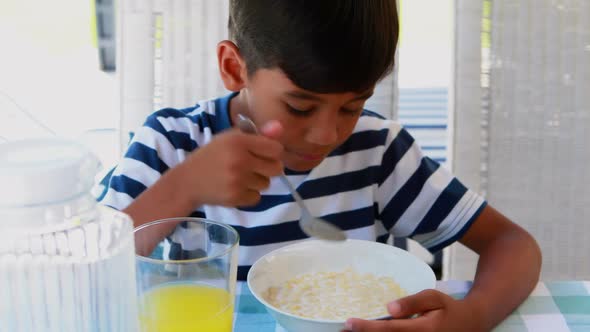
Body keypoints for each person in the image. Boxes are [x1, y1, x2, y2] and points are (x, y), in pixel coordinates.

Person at [99, 0, 542, 331]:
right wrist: (184, 187)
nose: (327, 135)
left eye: (352, 106)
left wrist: (473, 316)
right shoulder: (172, 144)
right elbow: (84, 272)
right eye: (299, 107)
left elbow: (512, 244)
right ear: (235, 68)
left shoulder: (378, 152)